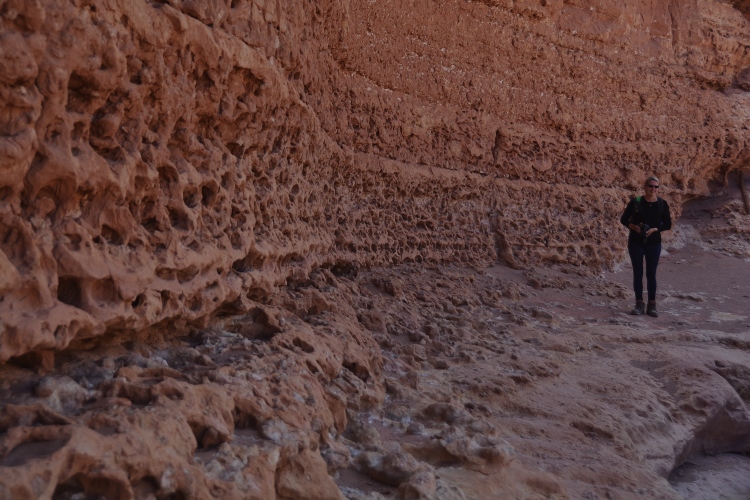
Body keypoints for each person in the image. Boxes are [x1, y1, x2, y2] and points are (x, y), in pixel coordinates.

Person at [620, 175, 672, 317]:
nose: (653, 189)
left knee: (651, 274)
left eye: (656, 187)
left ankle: (652, 305)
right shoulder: (636, 202)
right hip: (636, 242)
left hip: (653, 243)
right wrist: (635, 227)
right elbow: (623, 219)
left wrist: (655, 229)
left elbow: (668, 224)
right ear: (645, 187)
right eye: (650, 186)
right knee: (638, 273)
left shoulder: (662, 204)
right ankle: (639, 304)